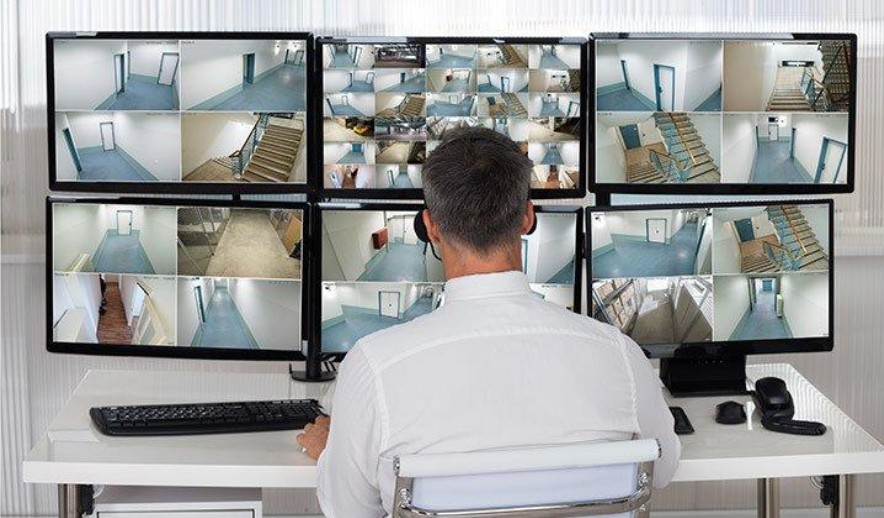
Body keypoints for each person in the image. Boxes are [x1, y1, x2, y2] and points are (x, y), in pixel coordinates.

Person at [297, 127, 681, 518]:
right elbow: (662, 470)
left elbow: (349, 511)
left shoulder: (373, 366)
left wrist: (333, 449)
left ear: (430, 227)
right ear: (527, 218)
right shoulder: (619, 354)